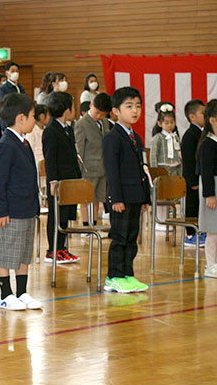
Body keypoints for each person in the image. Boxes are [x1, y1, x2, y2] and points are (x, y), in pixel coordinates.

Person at [0, 93, 42, 311]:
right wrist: (1, 210)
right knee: (7, 252)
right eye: (32, 116)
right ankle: (5, 293)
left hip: (26, 208)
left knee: (23, 252)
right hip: (10, 210)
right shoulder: (6, 145)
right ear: (21, 118)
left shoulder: (24, 143)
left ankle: (21, 291)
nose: (34, 120)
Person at [103, 86, 151, 293]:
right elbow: (112, 172)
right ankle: (113, 276)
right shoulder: (112, 138)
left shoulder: (136, 137)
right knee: (120, 237)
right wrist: (115, 199)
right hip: (121, 197)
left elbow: (144, 168)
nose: (135, 111)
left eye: (138, 106)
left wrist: (146, 198)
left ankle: (128, 274)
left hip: (135, 196)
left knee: (132, 237)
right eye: (129, 106)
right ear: (116, 111)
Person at [42, 91, 81, 264]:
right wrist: (53, 181)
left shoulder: (68, 129)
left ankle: (62, 247)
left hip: (70, 180)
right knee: (56, 216)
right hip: (58, 181)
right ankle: (53, 249)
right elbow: (50, 159)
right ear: (66, 110)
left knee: (65, 216)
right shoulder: (51, 131)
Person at [75, 92, 112, 226]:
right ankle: (86, 225)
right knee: (86, 198)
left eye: (102, 114)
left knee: (97, 198)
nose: (99, 116)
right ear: (91, 105)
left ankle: (94, 224)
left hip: (102, 167)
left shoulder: (105, 122)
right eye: (97, 112)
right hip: (88, 168)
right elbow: (79, 149)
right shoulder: (81, 124)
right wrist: (80, 169)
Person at [182, 99, 207, 246]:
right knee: (192, 206)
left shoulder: (202, 133)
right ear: (192, 117)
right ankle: (191, 235)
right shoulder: (190, 135)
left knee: (200, 206)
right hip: (192, 180)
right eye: (203, 113)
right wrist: (193, 182)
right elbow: (189, 161)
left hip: (201, 178)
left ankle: (201, 231)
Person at [198, 100, 217, 278]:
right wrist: (210, 194)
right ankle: (211, 265)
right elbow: (206, 172)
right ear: (212, 120)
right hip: (213, 189)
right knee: (213, 230)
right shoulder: (208, 144)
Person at [149, 102, 182, 176]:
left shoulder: (175, 137)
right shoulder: (157, 138)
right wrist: (155, 173)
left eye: (172, 122)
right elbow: (153, 156)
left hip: (175, 170)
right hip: (162, 170)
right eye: (166, 123)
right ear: (160, 123)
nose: (170, 125)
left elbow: (179, 154)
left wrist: (180, 173)